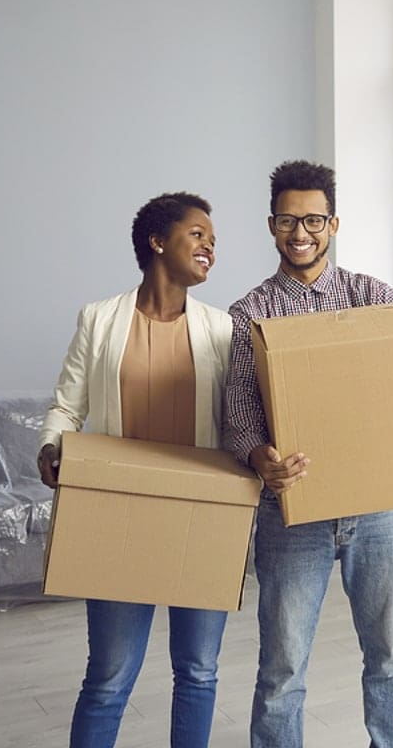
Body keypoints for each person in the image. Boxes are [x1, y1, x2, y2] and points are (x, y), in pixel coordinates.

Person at [223, 160, 393, 748]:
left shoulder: (373, 297)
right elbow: (238, 422)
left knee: (390, 658)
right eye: (288, 220)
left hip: (380, 514)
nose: (301, 233)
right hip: (292, 516)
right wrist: (260, 457)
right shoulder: (248, 317)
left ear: (333, 223)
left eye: (314, 219)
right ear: (271, 225)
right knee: (282, 671)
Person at [37, 192, 231, 748]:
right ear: (157, 241)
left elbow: (242, 416)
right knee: (108, 678)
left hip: (201, 516)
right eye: (198, 234)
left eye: (213, 239)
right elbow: (66, 407)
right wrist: (52, 447)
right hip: (119, 514)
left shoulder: (222, 329)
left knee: (197, 672)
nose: (210, 246)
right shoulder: (99, 319)